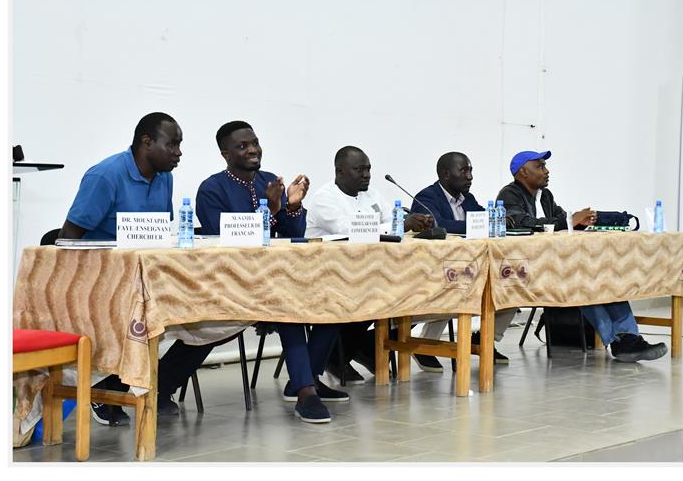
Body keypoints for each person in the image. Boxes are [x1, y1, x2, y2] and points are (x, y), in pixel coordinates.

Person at [58, 111, 210, 425]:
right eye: (172, 145)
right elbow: (67, 239)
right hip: (104, 279)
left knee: (211, 310)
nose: (179, 153)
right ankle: (107, 387)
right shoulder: (105, 176)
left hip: (147, 276)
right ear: (146, 142)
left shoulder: (165, 177)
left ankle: (156, 385)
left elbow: (158, 235)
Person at [195, 120, 347, 423]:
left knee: (336, 298)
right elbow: (221, 239)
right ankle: (306, 392)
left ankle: (307, 378)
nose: (253, 149)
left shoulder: (268, 180)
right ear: (225, 153)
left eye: (255, 142)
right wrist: (272, 209)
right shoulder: (211, 189)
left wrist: (291, 206)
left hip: (280, 275)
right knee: (284, 304)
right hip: (235, 281)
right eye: (243, 146)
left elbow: (294, 233)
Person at [497, 150, 668, 362]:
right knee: (582, 283)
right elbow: (523, 222)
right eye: (539, 166)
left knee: (602, 276)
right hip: (528, 270)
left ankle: (629, 337)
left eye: (545, 166)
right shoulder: (509, 195)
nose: (546, 171)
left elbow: (560, 220)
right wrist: (568, 220)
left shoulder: (545, 195)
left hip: (555, 265)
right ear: (523, 172)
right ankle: (619, 341)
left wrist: (578, 221)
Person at [305, 146, 433, 382]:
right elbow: (348, 230)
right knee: (371, 297)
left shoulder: (371, 194)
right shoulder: (324, 199)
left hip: (369, 273)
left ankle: (360, 346)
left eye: (368, 169)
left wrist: (411, 220)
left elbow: (390, 219)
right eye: (359, 169)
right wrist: (400, 224)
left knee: (414, 293)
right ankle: (340, 354)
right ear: (340, 171)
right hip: (330, 278)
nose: (366, 175)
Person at [410, 151, 515, 368]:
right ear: (446, 174)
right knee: (456, 287)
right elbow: (439, 225)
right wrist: (479, 224)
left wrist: (496, 220)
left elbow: (483, 219)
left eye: (471, 170)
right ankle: (423, 344)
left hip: (469, 266)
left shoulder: (467, 198)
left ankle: (484, 340)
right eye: (464, 170)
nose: (470, 176)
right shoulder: (426, 197)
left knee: (511, 285)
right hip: (433, 271)